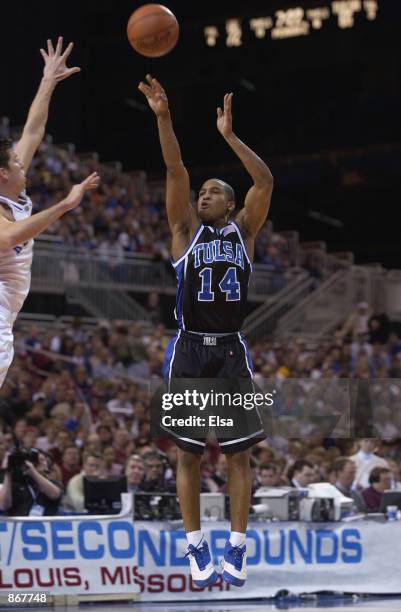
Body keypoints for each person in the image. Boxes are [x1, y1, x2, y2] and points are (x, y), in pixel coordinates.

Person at [139, 74, 273, 587]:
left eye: (213, 192)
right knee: (188, 454)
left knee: (240, 453)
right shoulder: (183, 235)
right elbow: (175, 167)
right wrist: (163, 116)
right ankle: (195, 543)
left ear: (230, 203)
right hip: (190, 348)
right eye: (201, 192)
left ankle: (236, 548)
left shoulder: (246, 231)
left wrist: (230, 138)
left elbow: (264, 183)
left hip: (232, 351)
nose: (202, 195)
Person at [0, 37, 100, 389]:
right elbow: (10, 237)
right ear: (2, 174)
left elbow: (33, 129)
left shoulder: (11, 188)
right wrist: (66, 204)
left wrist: (47, 81)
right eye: (14, 161)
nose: (21, 161)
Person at [0, 449, 63, 516]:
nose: (38, 462)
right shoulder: (14, 484)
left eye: (42, 460)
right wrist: (7, 473)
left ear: (47, 466)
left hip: (44, 525)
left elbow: (54, 495)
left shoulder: (54, 483)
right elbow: (3, 506)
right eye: (36, 460)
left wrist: (33, 472)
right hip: (18, 525)